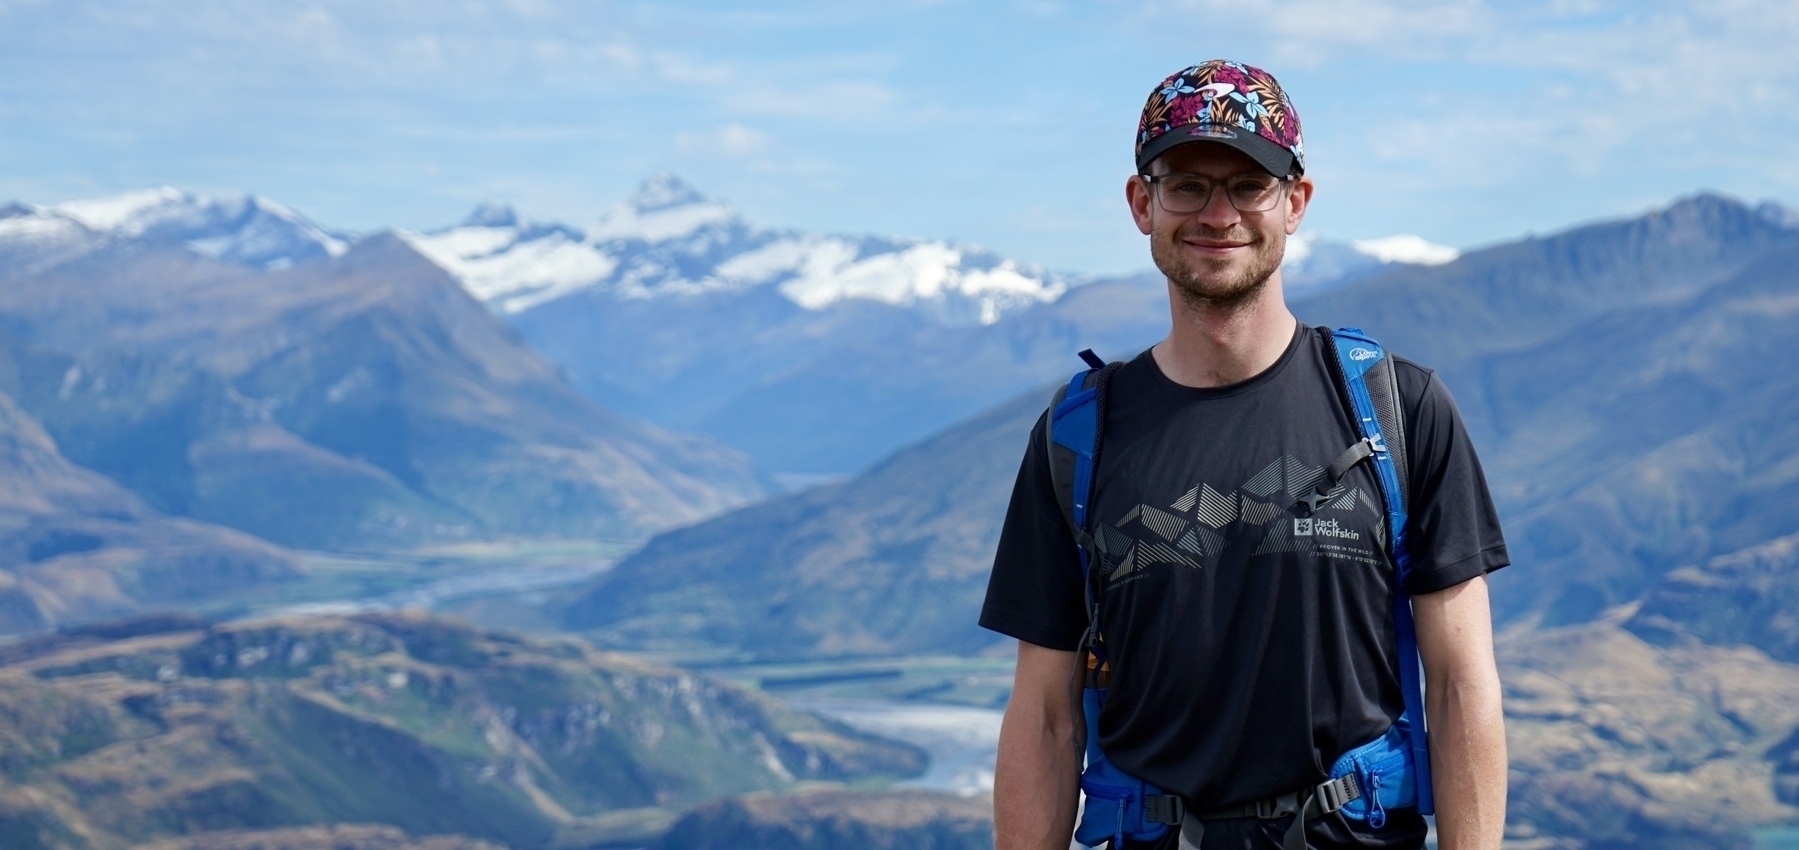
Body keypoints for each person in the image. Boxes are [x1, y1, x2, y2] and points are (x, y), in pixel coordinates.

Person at [980, 60, 1509, 850]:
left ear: (1294, 203)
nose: (1217, 213)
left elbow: (1461, 686)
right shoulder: (1076, 437)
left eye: (1249, 185)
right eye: (1186, 184)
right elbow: (1046, 716)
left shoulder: (1400, 411)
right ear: (1141, 204)